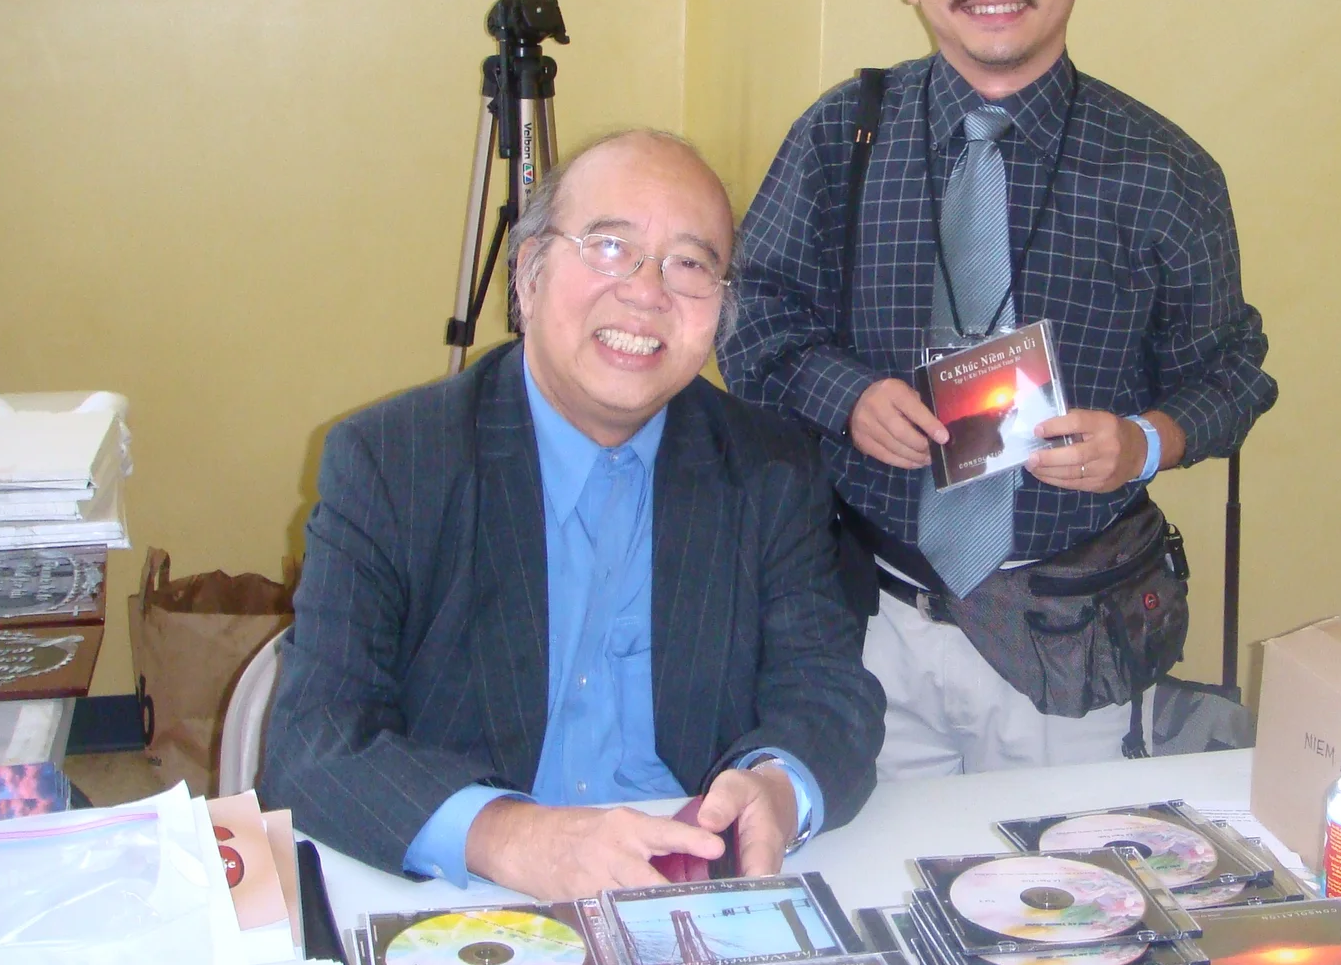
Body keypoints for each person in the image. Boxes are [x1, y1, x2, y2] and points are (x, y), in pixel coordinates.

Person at [722, 0, 1277, 777]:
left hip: (1065, 642)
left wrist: (1141, 441)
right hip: (866, 626)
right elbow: (750, 320)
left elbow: (1230, 376)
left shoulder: (1161, 171)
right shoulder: (838, 137)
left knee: (1062, 902)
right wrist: (842, 395)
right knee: (877, 895)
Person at [260, 130, 885, 900]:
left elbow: (830, 692)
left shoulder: (768, 467)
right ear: (528, 275)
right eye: (610, 248)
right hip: (474, 889)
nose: (647, 292)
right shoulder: (392, 462)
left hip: (691, 883)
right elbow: (313, 742)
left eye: (690, 265)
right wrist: (510, 836)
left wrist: (779, 787)